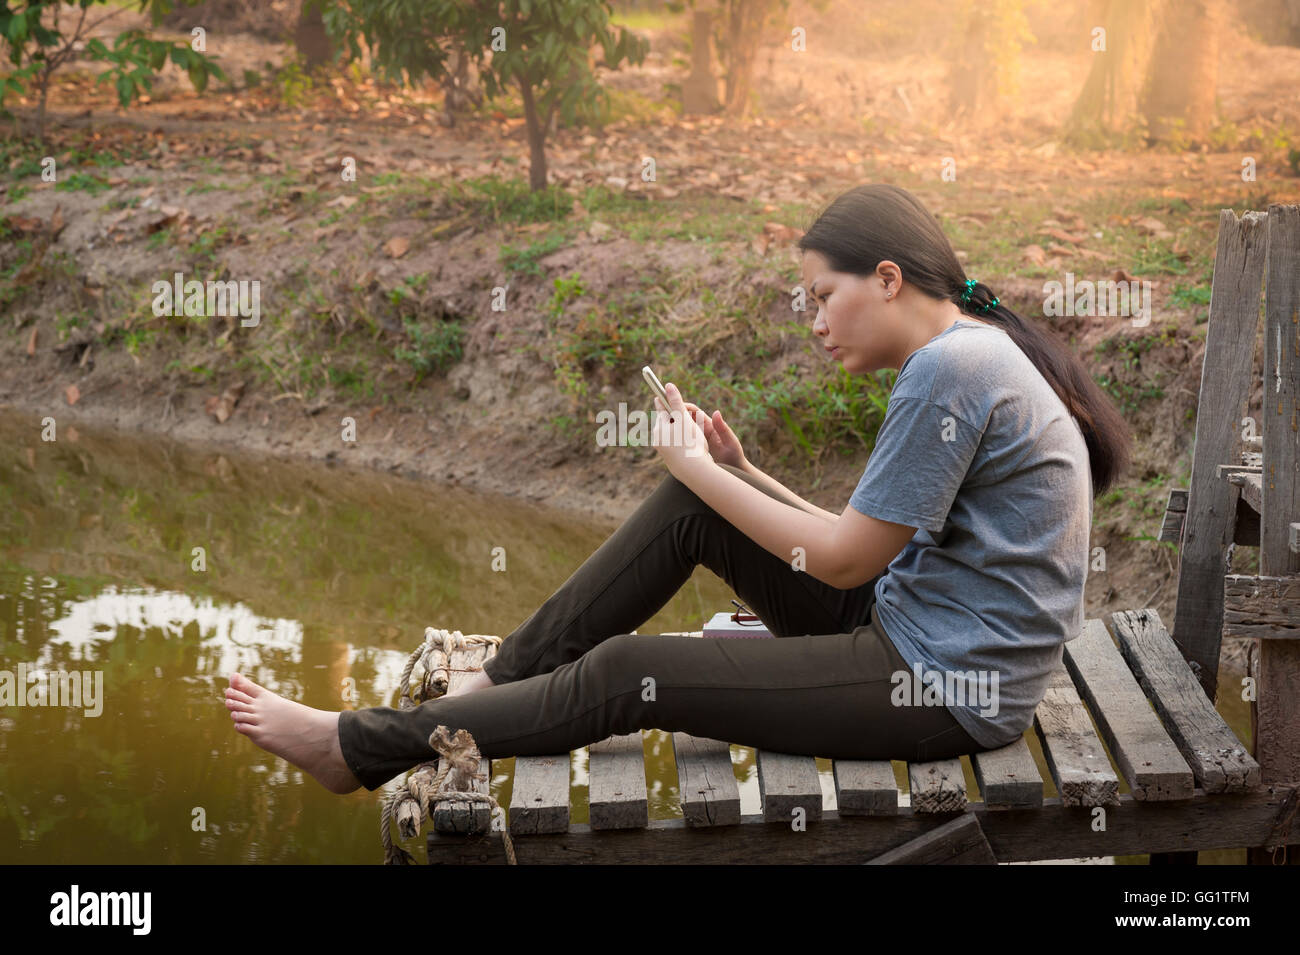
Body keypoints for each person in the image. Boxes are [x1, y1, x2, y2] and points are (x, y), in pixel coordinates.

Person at [225, 182, 1130, 795]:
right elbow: (866, 542)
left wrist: (698, 467)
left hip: (943, 687)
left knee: (632, 672)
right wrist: (730, 474)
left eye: (822, 296)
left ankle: (357, 748)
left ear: (887, 279)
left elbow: (850, 561)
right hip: (909, 627)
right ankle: (498, 677)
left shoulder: (949, 371)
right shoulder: (966, 353)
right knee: (695, 506)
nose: (815, 322)